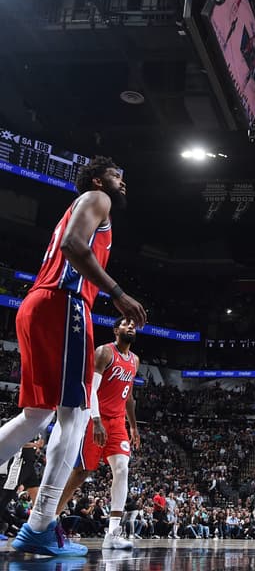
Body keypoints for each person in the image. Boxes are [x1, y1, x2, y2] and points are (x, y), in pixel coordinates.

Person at [0, 156, 146, 556]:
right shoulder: (98, 198)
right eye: (118, 175)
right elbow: (72, 246)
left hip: (39, 305)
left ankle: (40, 524)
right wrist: (117, 293)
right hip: (65, 303)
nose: (122, 182)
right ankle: (41, 524)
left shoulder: (87, 205)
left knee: (37, 415)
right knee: (74, 413)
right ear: (100, 179)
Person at [55, 317, 141, 549]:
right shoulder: (104, 352)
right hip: (95, 417)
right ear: (116, 330)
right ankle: (50, 518)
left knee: (122, 469)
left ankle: (113, 534)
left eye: (133, 325)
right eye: (126, 324)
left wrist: (132, 426)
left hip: (118, 422)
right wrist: (96, 419)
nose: (131, 327)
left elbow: (129, 396)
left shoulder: (134, 360)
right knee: (82, 472)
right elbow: (91, 388)